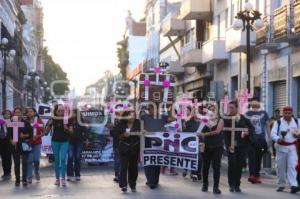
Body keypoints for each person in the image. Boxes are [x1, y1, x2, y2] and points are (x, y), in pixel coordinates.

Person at [223, 101, 254, 193]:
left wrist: (247, 132)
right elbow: (225, 134)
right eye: (229, 108)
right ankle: (231, 184)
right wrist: (228, 145)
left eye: (232, 108)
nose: (230, 110)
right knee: (232, 163)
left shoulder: (244, 118)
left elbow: (251, 128)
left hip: (242, 145)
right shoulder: (227, 119)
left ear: (237, 108)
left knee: (239, 165)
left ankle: (237, 184)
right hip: (231, 145)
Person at [271, 106, 300, 194]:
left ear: (292, 113)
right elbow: (273, 134)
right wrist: (278, 139)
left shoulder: (297, 121)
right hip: (281, 147)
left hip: (292, 147)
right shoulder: (278, 122)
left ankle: (293, 185)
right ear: (283, 113)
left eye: (289, 113)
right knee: (281, 167)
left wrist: (298, 135)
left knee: (292, 166)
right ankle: (281, 184)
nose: (287, 115)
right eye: (285, 113)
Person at [142, 105, 167, 189]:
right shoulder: (144, 117)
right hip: (147, 142)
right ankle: (151, 181)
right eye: (148, 109)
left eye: (151, 108)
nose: (149, 110)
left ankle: (155, 180)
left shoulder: (163, 117)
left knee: (157, 162)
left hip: (159, 142)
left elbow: (172, 119)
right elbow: (137, 121)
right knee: (148, 161)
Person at [245, 98, 270, 184]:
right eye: (253, 104)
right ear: (251, 105)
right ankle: (252, 175)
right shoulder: (247, 114)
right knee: (251, 157)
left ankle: (256, 175)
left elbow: (267, 126)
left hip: (261, 140)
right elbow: (244, 126)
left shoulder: (264, 113)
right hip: (250, 140)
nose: (255, 106)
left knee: (258, 158)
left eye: (256, 104)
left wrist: (269, 138)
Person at [200, 105, 224, 194]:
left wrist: (205, 134)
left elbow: (217, 131)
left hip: (217, 147)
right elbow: (199, 132)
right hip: (206, 146)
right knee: (205, 167)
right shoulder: (204, 121)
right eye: (210, 110)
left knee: (216, 167)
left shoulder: (220, 120)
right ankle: (205, 185)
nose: (212, 111)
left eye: (214, 110)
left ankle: (215, 187)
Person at [45, 104, 71, 187]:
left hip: (65, 141)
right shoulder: (52, 119)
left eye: (62, 110)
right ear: (55, 111)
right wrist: (49, 124)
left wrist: (67, 128)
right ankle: (57, 179)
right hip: (55, 141)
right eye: (59, 110)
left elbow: (71, 132)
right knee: (57, 160)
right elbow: (46, 132)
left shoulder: (67, 119)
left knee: (63, 160)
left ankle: (63, 178)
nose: (60, 112)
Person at [8, 107, 33, 186]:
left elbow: (31, 134)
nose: (18, 114)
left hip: (24, 145)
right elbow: (8, 135)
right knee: (17, 163)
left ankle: (24, 180)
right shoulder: (11, 122)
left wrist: (24, 135)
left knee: (24, 162)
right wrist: (11, 141)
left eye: (19, 112)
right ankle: (17, 180)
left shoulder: (26, 123)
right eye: (16, 112)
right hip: (15, 146)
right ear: (14, 113)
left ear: (22, 113)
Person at [118, 111, 140, 193]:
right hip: (124, 147)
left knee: (133, 167)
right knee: (123, 167)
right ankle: (123, 185)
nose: (132, 117)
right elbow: (117, 135)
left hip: (134, 147)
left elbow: (143, 132)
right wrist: (123, 135)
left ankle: (133, 184)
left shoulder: (138, 123)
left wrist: (141, 133)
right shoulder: (121, 124)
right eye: (130, 115)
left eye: (133, 115)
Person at [67, 109, 87, 182]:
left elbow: (85, 131)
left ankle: (77, 174)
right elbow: (66, 131)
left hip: (79, 141)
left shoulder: (81, 122)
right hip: (70, 141)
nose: (71, 114)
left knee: (78, 158)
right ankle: (69, 174)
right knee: (70, 157)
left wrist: (85, 139)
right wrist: (68, 130)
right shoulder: (69, 121)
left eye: (73, 112)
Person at [182, 106, 201, 181]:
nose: (195, 114)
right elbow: (182, 131)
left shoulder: (200, 122)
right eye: (194, 112)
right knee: (187, 157)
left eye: (197, 112)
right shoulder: (186, 121)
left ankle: (194, 174)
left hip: (196, 143)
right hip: (187, 142)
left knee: (197, 159)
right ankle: (185, 169)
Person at [26, 108, 44, 184]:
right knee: (29, 160)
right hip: (28, 143)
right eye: (28, 112)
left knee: (36, 160)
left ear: (34, 113)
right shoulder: (25, 122)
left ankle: (37, 172)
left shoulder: (39, 121)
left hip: (37, 143)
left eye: (31, 111)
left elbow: (44, 132)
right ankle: (29, 176)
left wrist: (38, 136)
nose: (29, 113)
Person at [108, 105, 123, 183]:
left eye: (120, 111)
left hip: (125, 144)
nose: (119, 113)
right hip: (117, 144)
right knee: (117, 161)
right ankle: (117, 175)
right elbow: (113, 135)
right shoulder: (114, 122)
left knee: (123, 161)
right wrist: (111, 129)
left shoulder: (125, 122)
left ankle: (122, 175)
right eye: (117, 112)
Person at [0, 110, 12, 180]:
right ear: (3, 115)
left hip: (9, 141)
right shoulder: (1, 121)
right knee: (3, 157)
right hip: (1, 141)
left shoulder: (12, 122)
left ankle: (8, 172)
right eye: (5, 114)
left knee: (8, 157)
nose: (7, 115)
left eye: (8, 114)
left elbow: (14, 132)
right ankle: (5, 172)